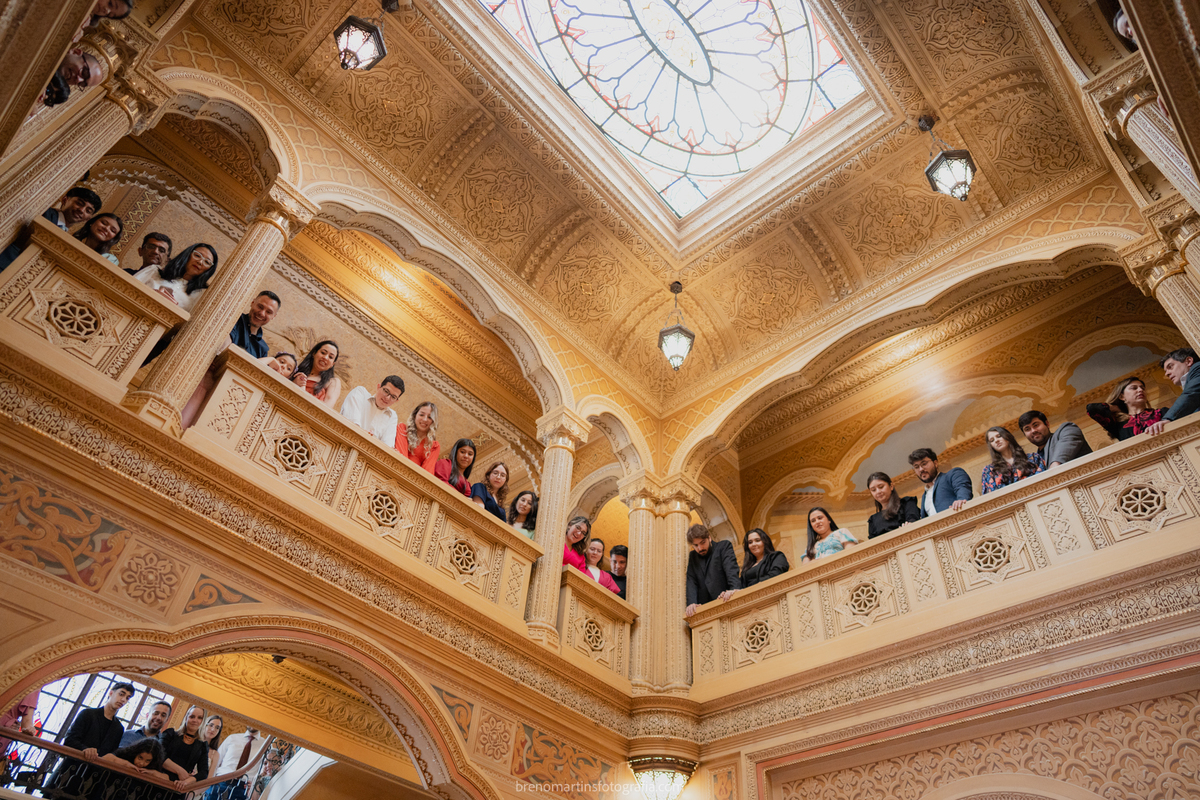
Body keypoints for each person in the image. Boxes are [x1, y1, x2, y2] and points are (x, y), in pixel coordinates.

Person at [48, 682, 134, 791]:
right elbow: (70, 740)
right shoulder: (87, 714)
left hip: (92, 781)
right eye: (121, 694)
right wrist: (85, 749)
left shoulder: (119, 728)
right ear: (111, 693)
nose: (123, 700)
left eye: (127, 698)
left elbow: (111, 753)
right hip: (69, 772)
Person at [0, 187, 101, 271]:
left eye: (88, 210)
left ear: (88, 218)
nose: (82, 210)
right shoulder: (44, 212)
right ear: (65, 200)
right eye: (79, 203)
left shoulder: (67, 238)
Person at [133, 243, 218, 312]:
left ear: (209, 270)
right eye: (197, 255)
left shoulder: (200, 296)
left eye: (207, 262)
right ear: (187, 255)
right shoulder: (153, 271)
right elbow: (127, 288)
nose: (200, 262)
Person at [684, 524, 739, 617]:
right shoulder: (693, 556)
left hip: (726, 602)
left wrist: (734, 590)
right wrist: (691, 603)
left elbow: (731, 570)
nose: (700, 548)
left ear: (709, 538)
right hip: (705, 611)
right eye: (696, 545)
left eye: (702, 542)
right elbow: (691, 581)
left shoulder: (723, 547)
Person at [1087, 376, 1165, 440]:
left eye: (1142, 388)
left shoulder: (1161, 412)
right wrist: (1116, 407)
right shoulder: (1118, 423)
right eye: (1134, 388)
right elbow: (1091, 409)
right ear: (1122, 396)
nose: (1140, 390)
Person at [1147, 348, 1200, 436]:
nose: (1166, 374)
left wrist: (1168, 419)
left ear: (1189, 361)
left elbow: (1191, 394)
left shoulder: (1197, 367)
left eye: (1170, 367)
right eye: (1165, 371)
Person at [206, 726, 268, 800]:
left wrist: (255, 785)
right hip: (220, 782)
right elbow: (216, 761)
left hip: (244, 788)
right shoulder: (232, 738)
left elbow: (266, 771)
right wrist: (211, 780)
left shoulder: (266, 745)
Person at [909, 448, 973, 517]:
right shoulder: (924, 496)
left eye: (924, 464)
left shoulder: (952, 475)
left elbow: (963, 489)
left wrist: (961, 500)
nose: (921, 469)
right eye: (916, 467)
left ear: (935, 463)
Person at [980, 426, 1045, 494]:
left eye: (999, 436)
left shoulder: (1033, 458)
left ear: (1007, 437)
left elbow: (1045, 480)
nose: (996, 440)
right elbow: (990, 496)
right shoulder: (989, 470)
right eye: (992, 440)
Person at [1018, 410, 1092, 469]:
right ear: (1025, 434)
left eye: (1036, 425)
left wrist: (1054, 469)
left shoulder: (1066, 429)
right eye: (1027, 429)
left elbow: (1068, 443)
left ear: (1047, 424)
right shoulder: (1035, 459)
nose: (1033, 430)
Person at [159, 705, 209, 790]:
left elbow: (204, 772)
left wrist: (187, 781)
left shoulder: (202, 746)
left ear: (203, 721)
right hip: (160, 779)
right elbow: (159, 755)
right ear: (186, 718)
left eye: (199, 718)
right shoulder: (170, 734)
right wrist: (180, 771)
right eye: (192, 716)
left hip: (180, 787)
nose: (195, 720)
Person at [339, 376, 403, 443]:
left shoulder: (392, 416)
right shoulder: (360, 393)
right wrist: (364, 435)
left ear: (396, 401)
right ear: (378, 387)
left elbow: (387, 445)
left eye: (393, 397)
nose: (387, 398)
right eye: (386, 391)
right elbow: (350, 424)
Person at [866, 472, 921, 539]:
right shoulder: (873, 520)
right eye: (873, 490)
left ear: (891, 486)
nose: (878, 491)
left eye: (881, 487)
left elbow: (914, 523)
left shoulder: (907, 503)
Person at [229, 291, 281, 360]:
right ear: (252, 303)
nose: (262, 313)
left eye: (268, 312)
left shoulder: (263, 349)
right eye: (260, 307)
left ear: (273, 316)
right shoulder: (233, 319)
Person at [290, 340, 342, 408]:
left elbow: (327, 407)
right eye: (323, 353)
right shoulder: (295, 371)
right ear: (314, 353)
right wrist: (293, 383)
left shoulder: (333, 382)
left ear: (332, 364)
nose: (325, 358)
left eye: (331, 357)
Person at [395, 402, 440, 473]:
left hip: (414, 481)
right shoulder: (402, 429)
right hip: (395, 470)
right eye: (421, 415)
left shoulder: (434, 446)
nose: (425, 419)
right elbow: (400, 457)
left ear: (433, 421)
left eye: (429, 417)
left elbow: (427, 472)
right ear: (415, 415)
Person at [0, 687, 40, 755]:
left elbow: (27, 723)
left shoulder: (34, 684)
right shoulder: (34, 684)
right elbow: (27, 723)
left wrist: (29, 730)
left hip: (4, 728)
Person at [200, 714, 223, 779]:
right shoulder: (192, 743)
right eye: (211, 725)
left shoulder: (215, 754)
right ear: (204, 725)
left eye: (217, 728)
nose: (213, 729)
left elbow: (208, 780)